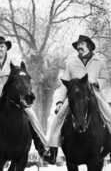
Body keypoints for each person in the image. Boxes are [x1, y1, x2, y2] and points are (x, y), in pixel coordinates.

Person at [0, 36, 48, 163]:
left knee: (31, 116)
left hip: (12, 96)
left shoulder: (14, 62)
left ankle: (41, 145)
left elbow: (22, 79)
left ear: (6, 48)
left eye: (2, 46)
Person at [43, 35, 111, 164]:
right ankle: (52, 151)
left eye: (82, 45)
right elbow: (65, 84)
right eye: (78, 46)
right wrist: (59, 102)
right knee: (58, 117)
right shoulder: (72, 63)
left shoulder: (100, 62)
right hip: (75, 94)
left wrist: (96, 82)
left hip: (93, 94)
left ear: (89, 46)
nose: (79, 47)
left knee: (109, 115)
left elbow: (105, 79)